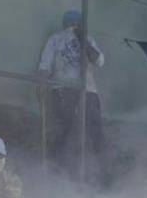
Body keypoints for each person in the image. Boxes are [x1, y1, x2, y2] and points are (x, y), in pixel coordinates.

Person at [37, 10, 106, 183]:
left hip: (64, 90)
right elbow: (99, 61)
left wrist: (41, 89)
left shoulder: (56, 39)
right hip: (81, 91)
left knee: (63, 131)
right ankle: (97, 174)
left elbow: (44, 68)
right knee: (93, 131)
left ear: (64, 23)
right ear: (80, 23)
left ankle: (59, 174)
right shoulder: (83, 38)